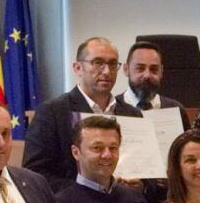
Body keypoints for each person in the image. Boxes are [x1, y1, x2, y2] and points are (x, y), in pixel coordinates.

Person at [23, 37, 142, 193]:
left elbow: (149, 173)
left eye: (112, 64)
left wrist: (143, 186)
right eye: (98, 63)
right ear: (78, 68)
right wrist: (87, 191)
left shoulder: (133, 114)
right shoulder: (52, 112)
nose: (106, 71)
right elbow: (34, 174)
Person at [116, 40, 192, 129]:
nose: (147, 75)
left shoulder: (177, 110)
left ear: (161, 72)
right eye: (140, 68)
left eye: (154, 69)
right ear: (126, 69)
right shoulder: (113, 108)